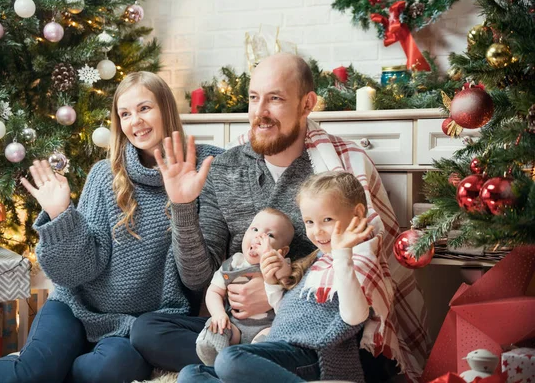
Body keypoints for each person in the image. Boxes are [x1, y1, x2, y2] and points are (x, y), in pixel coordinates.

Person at [131, 53, 429, 381]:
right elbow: (198, 278)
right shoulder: (225, 169)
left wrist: (275, 291)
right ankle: (250, 366)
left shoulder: (339, 169)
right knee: (146, 330)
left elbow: (360, 269)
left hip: (312, 324)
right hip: (239, 327)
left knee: (362, 354)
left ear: (307, 103)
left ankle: (247, 367)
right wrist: (182, 206)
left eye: (275, 99)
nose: (260, 112)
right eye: (254, 98)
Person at [0, 71, 223, 383]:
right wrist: (60, 215)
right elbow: (74, 274)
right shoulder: (105, 175)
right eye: (125, 114)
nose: (135, 121)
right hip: (75, 308)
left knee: (106, 370)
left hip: (135, 326)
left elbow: (197, 275)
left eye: (145, 108)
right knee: (33, 371)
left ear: (167, 109)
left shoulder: (201, 168)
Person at [177, 171, 378, 383]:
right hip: (279, 347)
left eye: (326, 219)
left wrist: (342, 256)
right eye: (309, 222)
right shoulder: (318, 260)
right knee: (191, 374)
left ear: (357, 214)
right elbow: (285, 312)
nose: (317, 232)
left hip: (313, 355)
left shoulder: (359, 259)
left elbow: (355, 317)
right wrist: (271, 282)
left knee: (229, 359)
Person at [196, 208, 294, 366]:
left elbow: (287, 284)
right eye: (254, 229)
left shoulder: (281, 265)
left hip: (266, 328)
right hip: (235, 327)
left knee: (271, 341)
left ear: (282, 251)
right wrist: (218, 314)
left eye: (269, 235)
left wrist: (273, 261)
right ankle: (214, 355)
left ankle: (248, 363)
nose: (258, 237)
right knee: (216, 328)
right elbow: (214, 291)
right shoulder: (233, 264)